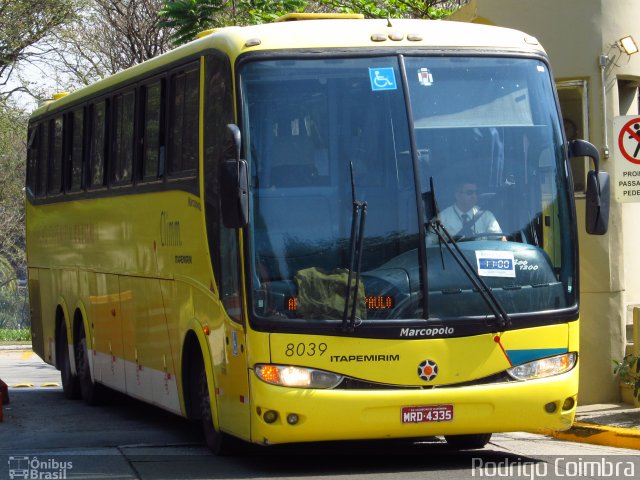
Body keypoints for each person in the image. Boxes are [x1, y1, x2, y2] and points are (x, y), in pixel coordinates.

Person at [434, 180, 504, 241]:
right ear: (457, 195)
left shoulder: (486, 215)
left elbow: (500, 240)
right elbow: (429, 246)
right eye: (469, 193)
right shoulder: (442, 219)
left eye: (476, 192)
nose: (474, 196)